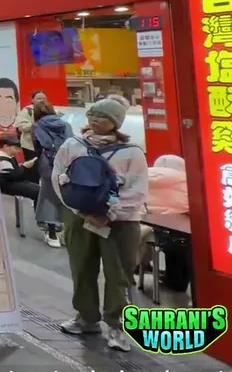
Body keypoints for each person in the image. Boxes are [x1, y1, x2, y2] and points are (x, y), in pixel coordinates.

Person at [50, 97, 148, 351]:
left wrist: (110, 212)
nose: (95, 119)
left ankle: (116, 326)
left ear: (116, 123)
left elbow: (137, 189)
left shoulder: (132, 152)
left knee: (119, 274)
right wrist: (80, 211)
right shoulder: (73, 145)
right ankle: (86, 318)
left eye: (103, 117)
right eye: (92, 114)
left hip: (121, 222)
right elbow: (58, 177)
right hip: (79, 217)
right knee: (81, 268)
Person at [137, 155, 190, 292]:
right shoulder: (186, 180)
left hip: (147, 231)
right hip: (179, 234)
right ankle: (177, 283)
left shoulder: (142, 176)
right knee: (182, 245)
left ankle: (140, 265)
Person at [32, 100, 71, 247]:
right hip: (67, 163)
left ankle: (52, 234)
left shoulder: (37, 126)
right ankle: (66, 234)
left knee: (48, 196)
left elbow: (39, 146)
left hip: (48, 164)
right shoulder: (65, 125)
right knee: (66, 196)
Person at [0, 136, 39, 201]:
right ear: (6, 146)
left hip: (12, 182)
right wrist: (24, 167)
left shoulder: (9, 157)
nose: (17, 151)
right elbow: (11, 176)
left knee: (38, 189)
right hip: (7, 184)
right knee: (37, 191)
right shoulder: (1, 158)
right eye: (16, 148)